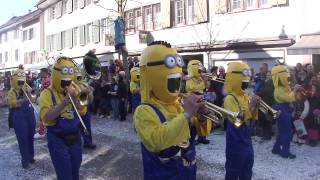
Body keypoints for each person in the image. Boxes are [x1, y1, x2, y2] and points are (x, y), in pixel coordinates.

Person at [134, 41, 204, 180]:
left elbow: (190, 132)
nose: (177, 86)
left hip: (187, 170)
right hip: (163, 174)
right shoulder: (144, 111)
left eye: (177, 82)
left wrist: (199, 117)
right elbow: (156, 141)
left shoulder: (177, 104)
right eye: (173, 82)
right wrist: (187, 115)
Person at [39, 57, 82, 180]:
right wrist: (63, 104)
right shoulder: (46, 93)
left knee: (75, 169)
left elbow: (82, 110)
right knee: (64, 173)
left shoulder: (74, 89)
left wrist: (75, 97)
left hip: (75, 136)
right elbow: (46, 118)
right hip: (58, 139)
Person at [223, 62, 260, 180]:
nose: (245, 85)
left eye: (246, 82)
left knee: (247, 168)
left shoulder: (245, 95)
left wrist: (256, 108)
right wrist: (251, 107)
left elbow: (251, 117)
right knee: (233, 170)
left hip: (246, 138)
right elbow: (237, 122)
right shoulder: (230, 98)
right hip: (235, 139)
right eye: (243, 83)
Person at [7, 66, 36, 169]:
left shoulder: (26, 87)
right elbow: (12, 104)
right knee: (23, 139)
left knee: (30, 137)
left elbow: (33, 99)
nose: (21, 82)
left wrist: (30, 94)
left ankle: (31, 157)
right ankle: (25, 161)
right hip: (19, 118)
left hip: (30, 117)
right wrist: (23, 99)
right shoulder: (12, 92)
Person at [271, 65, 302, 159]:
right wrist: (295, 91)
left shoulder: (285, 86)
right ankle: (285, 152)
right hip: (282, 111)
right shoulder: (278, 89)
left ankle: (276, 149)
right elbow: (288, 98)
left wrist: (297, 91)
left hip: (286, 110)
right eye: (284, 74)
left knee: (283, 131)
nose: (287, 76)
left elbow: (293, 97)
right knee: (287, 132)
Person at [186, 60, 212, 145]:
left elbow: (207, 86)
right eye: (199, 69)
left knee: (203, 117)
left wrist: (206, 80)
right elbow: (194, 88)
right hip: (192, 99)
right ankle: (193, 138)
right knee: (194, 119)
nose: (200, 71)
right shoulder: (189, 79)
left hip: (201, 97)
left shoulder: (200, 78)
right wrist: (203, 83)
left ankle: (202, 137)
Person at [74, 67, 96, 149]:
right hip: (77, 110)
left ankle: (88, 142)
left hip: (85, 107)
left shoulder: (83, 84)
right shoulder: (72, 85)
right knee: (77, 128)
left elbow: (88, 95)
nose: (80, 76)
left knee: (87, 127)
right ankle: (77, 144)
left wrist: (90, 90)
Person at [257, 71, 274, 141]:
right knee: (263, 120)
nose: (268, 76)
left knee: (267, 120)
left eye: (269, 75)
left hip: (268, 104)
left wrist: (258, 93)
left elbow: (265, 91)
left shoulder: (271, 83)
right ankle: (265, 134)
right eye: (267, 75)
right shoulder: (264, 82)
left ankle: (268, 135)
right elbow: (261, 90)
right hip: (263, 103)